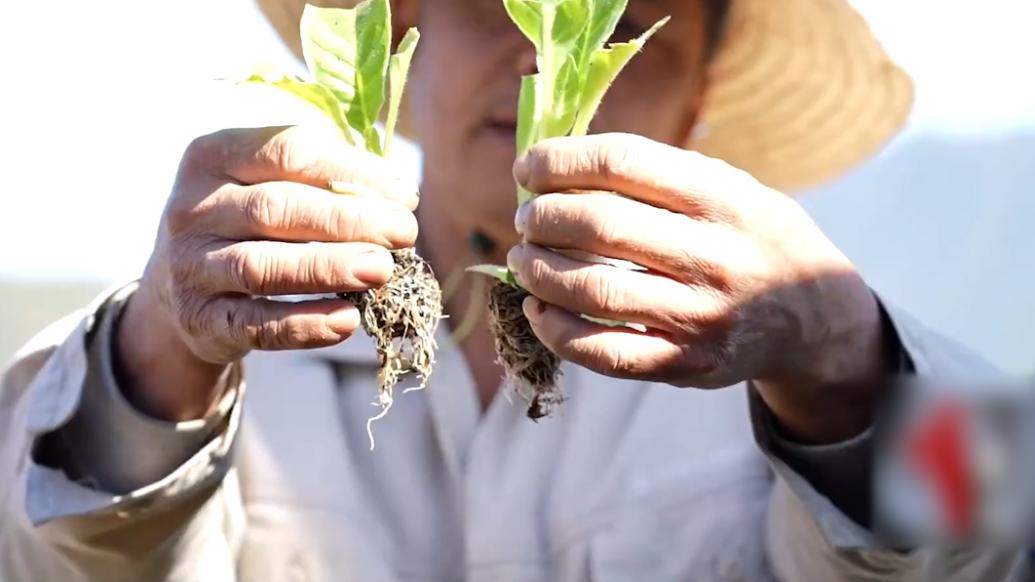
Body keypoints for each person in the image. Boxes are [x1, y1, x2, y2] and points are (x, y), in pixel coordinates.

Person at [0, 0, 1026, 580]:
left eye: (629, 27)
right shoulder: (230, 335)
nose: (541, 56)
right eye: (496, 4)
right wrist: (153, 368)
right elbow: (48, 553)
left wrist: (844, 365)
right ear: (404, 41)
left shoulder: (793, 354)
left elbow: (992, 542)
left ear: (698, 93)